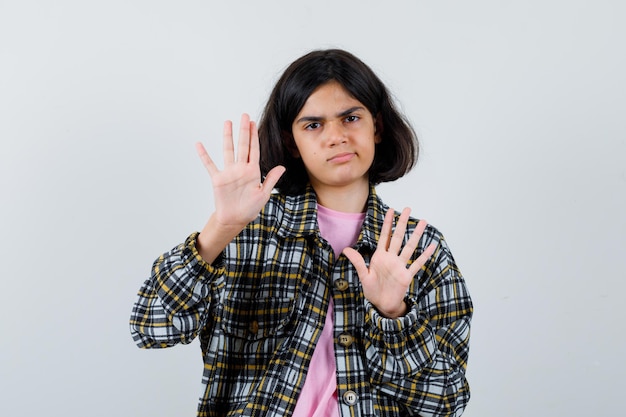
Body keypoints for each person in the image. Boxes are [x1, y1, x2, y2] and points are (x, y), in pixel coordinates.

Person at [130, 48, 473, 417]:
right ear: (291, 142)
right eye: (313, 125)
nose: (336, 137)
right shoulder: (249, 235)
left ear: (377, 127)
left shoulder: (420, 248)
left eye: (351, 118)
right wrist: (221, 228)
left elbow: (446, 402)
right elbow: (151, 327)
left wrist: (394, 313)